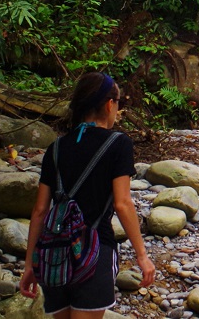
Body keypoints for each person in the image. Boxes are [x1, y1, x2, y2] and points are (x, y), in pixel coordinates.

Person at [20, 72, 156, 318]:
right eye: (119, 103)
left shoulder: (56, 148)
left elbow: (40, 210)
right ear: (109, 104)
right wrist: (142, 256)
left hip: (53, 257)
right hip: (94, 253)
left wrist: (31, 263)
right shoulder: (119, 144)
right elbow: (123, 203)